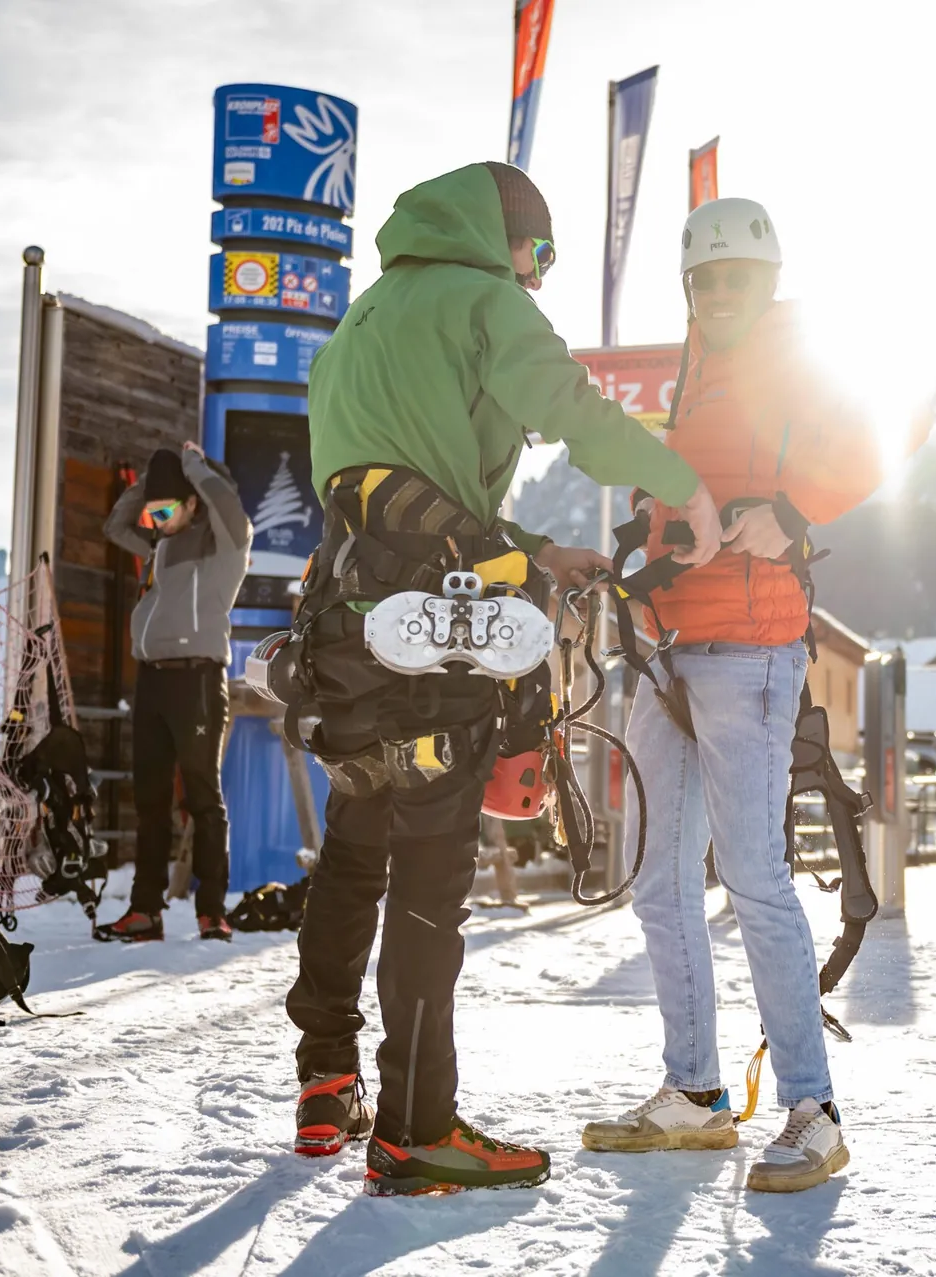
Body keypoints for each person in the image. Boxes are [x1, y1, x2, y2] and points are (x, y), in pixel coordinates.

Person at [282, 161, 722, 1196]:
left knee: (353, 853)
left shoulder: (362, 320)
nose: (540, 277)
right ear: (507, 239)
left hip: (347, 621)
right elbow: (575, 409)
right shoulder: (486, 302)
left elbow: (388, 488)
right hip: (437, 632)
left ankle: (325, 1081)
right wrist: (685, 487)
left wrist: (528, 546)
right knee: (432, 881)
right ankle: (417, 1127)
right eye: (540, 253)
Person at [580, 197, 926, 1193]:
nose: (719, 293)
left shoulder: (802, 351)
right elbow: (679, 485)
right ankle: (693, 1093)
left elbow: (908, 412)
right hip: (667, 650)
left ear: (767, 282)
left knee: (755, 875)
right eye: (704, 279)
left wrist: (795, 506)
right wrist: (647, 534)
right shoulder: (692, 366)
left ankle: (813, 1111)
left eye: (736, 278)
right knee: (656, 878)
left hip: (754, 651)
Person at [98, 441, 251, 943]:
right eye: (153, 514)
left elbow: (233, 513)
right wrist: (151, 482)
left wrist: (192, 468)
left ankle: (212, 912)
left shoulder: (221, 547)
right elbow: (115, 527)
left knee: (204, 800)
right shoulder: (159, 547)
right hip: (153, 682)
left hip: (198, 680)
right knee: (150, 802)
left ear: (192, 503)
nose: (157, 521)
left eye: (167, 510)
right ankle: (146, 911)